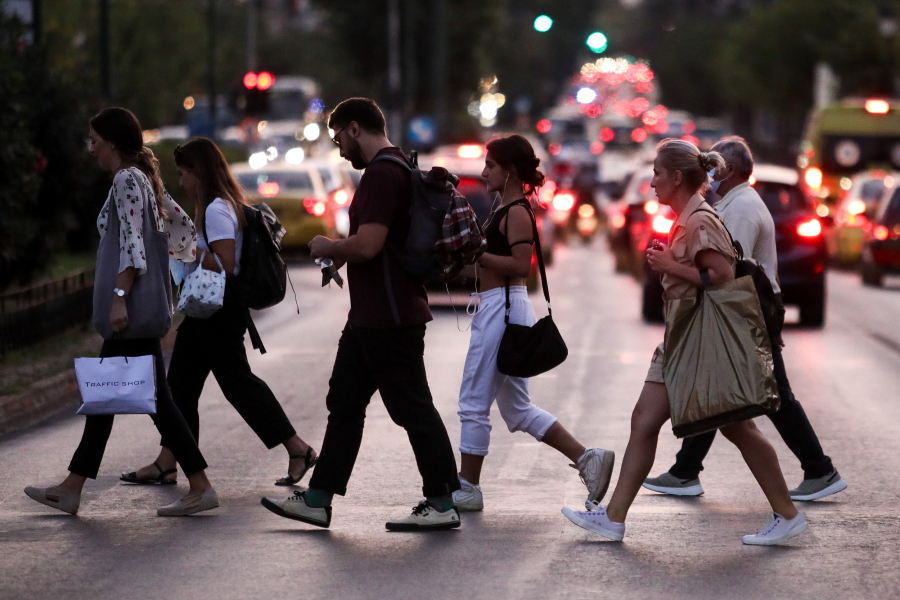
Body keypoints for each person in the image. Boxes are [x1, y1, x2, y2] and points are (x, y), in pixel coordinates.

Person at [561, 139, 808, 545]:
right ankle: (614, 517)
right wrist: (672, 263)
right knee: (645, 420)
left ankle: (788, 513)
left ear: (677, 177)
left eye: (657, 173)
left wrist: (670, 266)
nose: (652, 182)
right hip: (682, 336)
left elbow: (723, 277)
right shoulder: (688, 217)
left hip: (701, 339)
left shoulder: (699, 220)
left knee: (739, 428)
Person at [260, 98, 462, 531]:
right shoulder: (398, 166)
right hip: (373, 314)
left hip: (389, 315)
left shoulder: (381, 175)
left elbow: (369, 244)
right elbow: (381, 243)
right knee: (345, 403)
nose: (339, 149)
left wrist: (329, 246)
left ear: (355, 129)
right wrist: (341, 255)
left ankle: (442, 501)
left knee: (411, 408)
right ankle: (318, 499)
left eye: (339, 139)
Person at [24, 107, 218, 517]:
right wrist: (175, 259)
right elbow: (181, 229)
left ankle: (200, 485)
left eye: (94, 140)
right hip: (138, 313)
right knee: (110, 397)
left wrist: (118, 296)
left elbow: (133, 244)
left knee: (148, 402)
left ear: (112, 141)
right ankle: (73, 487)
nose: (90, 148)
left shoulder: (127, 179)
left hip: (129, 312)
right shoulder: (143, 177)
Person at [644, 137, 845, 502]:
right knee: (722, 391)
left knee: (770, 395)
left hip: (747, 311)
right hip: (748, 307)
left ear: (730, 170)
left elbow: (726, 272)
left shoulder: (739, 209)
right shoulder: (736, 203)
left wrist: (673, 267)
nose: (708, 172)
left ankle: (818, 469)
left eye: (714, 167)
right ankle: (686, 470)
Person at [120, 138, 318, 488]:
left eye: (183, 174)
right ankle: (167, 462)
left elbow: (226, 263)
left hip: (219, 312)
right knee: (181, 386)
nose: (181, 181)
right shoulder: (219, 206)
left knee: (237, 386)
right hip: (209, 313)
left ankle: (297, 448)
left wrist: (188, 251)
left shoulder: (215, 209)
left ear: (199, 172)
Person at [451, 134, 614, 512]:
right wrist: (466, 260)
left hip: (503, 310)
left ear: (510, 170)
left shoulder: (517, 213)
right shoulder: (506, 209)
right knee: (517, 409)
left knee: (473, 401)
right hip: (502, 307)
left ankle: (468, 486)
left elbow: (521, 267)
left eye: (490, 165)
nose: (484, 172)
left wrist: (479, 255)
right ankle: (588, 458)